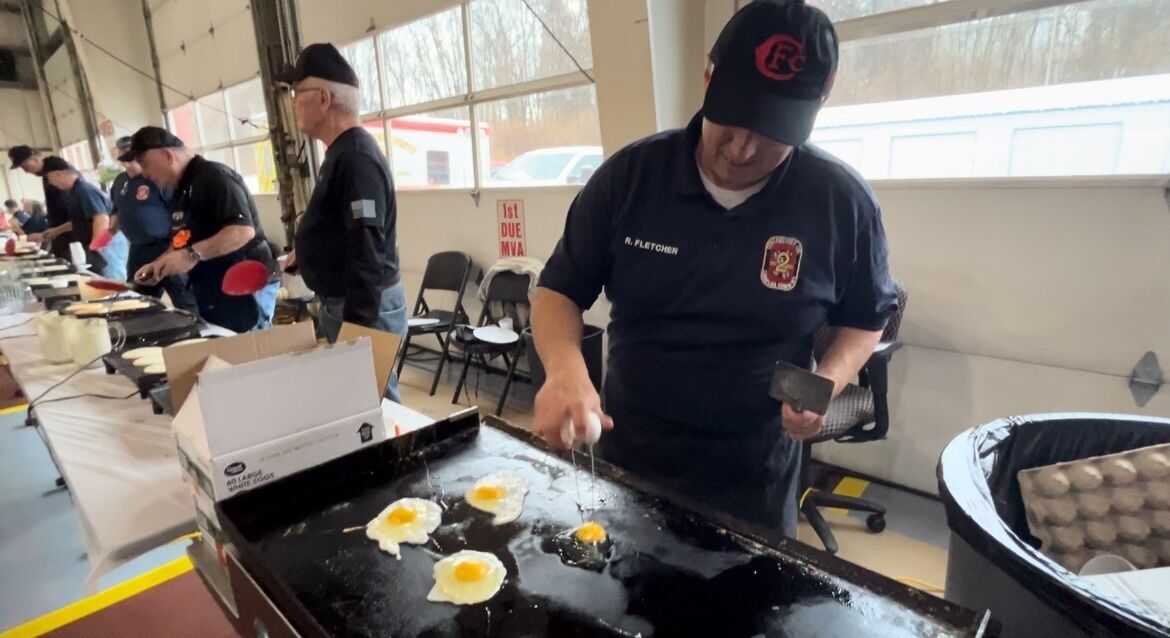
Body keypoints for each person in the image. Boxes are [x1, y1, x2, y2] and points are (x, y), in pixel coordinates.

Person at [530, 0, 898, 537]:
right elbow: (558, 291)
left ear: (823, 97)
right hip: (631, 458)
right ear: (707, 78)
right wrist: (566, 371)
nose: (743, 147)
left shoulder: (840, 203)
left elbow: (867, 320)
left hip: (755, 481)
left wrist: (825, 382)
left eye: (772, 129)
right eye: (732, 116)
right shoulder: (630, 179)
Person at [277, 43, 407, 400]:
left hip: (364, 305)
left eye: (296, 92)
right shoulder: (341, 153)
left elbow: (368, 247)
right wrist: (310, 252)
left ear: (322, 98)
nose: (292, 102)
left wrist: (358, 333)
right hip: (352, 300)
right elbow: (346, 230)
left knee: (374, 401)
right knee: (359, 399)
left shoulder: (355, 159)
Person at [122, 127, 279, 333]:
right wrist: (159, 264)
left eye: (144, 163)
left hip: (244, 284)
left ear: (167, 155)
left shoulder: (213, 177)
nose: (144, 173)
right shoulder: (180, 189)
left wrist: (192, 255)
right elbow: (182, 238)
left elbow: (242, 231)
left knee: (250, 353)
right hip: (215, 288)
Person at [108, 136, 197, 312]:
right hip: (138, 248)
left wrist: (178, 246)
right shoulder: (120, 182)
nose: (128, 160)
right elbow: (116, 208)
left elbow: (178, 210)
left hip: (165, 246)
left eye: (132, 155)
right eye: (123, 155)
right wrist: (111, 227)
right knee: (137, 298)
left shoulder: (156, 177)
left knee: (183, 298)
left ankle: (197, 331)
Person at [38, 156, 116, 276]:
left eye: (50, 179)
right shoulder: (74, 192)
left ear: (58, 174)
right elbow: (79, 221)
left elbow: (101, 218)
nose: (51, 183)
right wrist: (57, 231)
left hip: (105, 242)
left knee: (109, 283)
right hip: (94, 243)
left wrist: (96, 248)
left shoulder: (84, 191)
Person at [8, 145, 73, 257]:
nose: (27, 172)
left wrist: (51, 232)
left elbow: (77, 216)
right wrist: (46, 234)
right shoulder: (47, 177)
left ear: (36, 159)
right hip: (62, 237)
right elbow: (57, 211)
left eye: (26, 167)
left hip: (74, 239)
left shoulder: (59, 178)